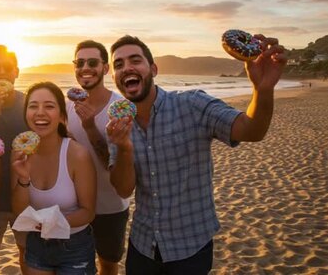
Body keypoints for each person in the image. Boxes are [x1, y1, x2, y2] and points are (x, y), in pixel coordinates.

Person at [106, 35, 287, 274]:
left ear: (153, 69)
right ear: (114, 78)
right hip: (142, 245)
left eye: (135, 60)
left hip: (190, 247)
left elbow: (251, 130)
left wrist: (262, 89)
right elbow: (123, 189)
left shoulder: (193, 104)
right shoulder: (118, 125)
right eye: (118, 65)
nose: (126, 67)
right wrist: (124, 148)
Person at [12, 82, 97, 275]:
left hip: (74, 245)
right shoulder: (20, 153)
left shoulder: (77, 155)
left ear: (61, 116)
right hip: (36, 242)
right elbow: (19, 210)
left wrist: (52, 222)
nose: (40, 112)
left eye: (49, 106)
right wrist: (23, 178)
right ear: (26, 114)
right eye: (33, 106)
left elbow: (88, 212)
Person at [66, 40, 130, 275]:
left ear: (105, 68)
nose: (85, 68)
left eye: (92, 62)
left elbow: (114, 166)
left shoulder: (121, 108)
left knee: (108, 264)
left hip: (109, 205)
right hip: (72, 205)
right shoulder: (65, 106)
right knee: (76, 264)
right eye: (79, 62)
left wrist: (90, 127)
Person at [0, 45, 28, 274]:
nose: (1, 73)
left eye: (7, 68)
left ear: (16, 72)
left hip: (26, 195)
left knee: (27, 253)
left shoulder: (31, 105)